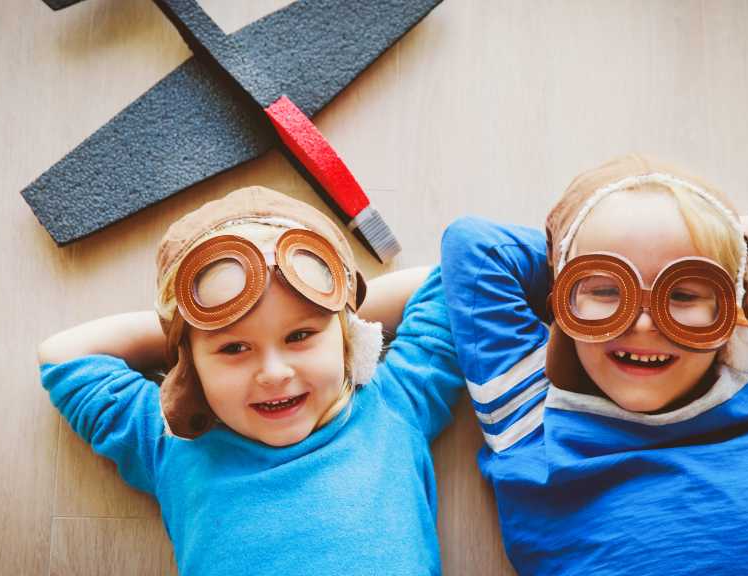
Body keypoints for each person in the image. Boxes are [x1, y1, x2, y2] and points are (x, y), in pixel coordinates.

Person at [439, 154, 748, 574]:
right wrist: (584, 252)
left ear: (731, 307)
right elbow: (475, 247)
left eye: (683, 293)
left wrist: (724, 239)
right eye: (604, 290)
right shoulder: (533, 414)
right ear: (565, 300)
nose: (643, 324)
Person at [37, 186, 464, 575]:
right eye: (234, 349)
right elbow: (63, 356)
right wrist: (182, 331)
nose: (274, 373)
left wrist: (344, 313)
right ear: (190, 366)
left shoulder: (393, 403)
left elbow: (451, 281)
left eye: (300, 335)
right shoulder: (173, 437)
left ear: (348, 337)